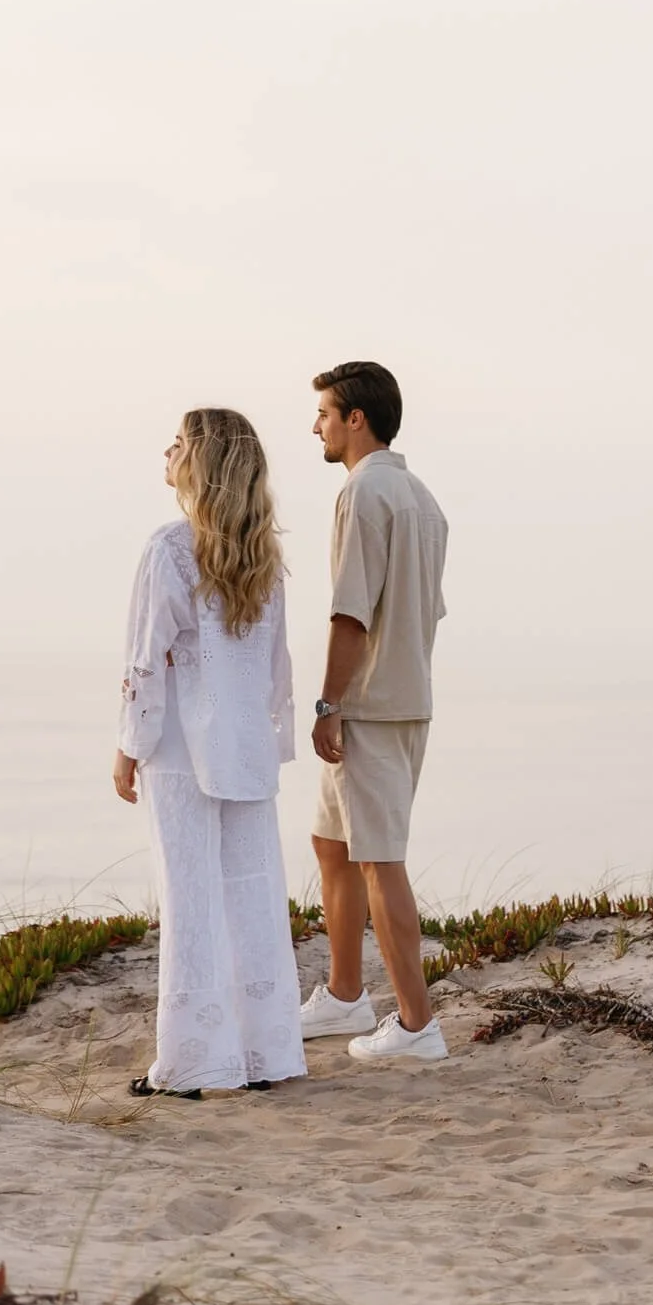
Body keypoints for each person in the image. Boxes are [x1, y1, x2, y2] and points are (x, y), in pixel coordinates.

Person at [112, 407, 308, 1098]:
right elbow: (276, 664)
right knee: (252, 894)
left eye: (177, 443)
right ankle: (266, 1052)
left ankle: (195, 1062)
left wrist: (128, 744)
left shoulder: (169, 547)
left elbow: (148, 657)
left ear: (201, 463)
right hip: (245, 742)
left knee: (191, 895)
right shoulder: (265, 557)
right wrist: (271, 731)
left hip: (177, 750)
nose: (165, 452)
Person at [300, 359, 450, 1065]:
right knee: (332, 845)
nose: (317, 426)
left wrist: (330, 704)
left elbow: (350, 614)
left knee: (379, 861)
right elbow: (428, 613)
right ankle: (343, 994)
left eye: (325, 414)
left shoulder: (364, 495)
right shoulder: (422, 498)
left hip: (371, 708)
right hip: (402, 699)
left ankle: (418, 1026)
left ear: (356, 418)